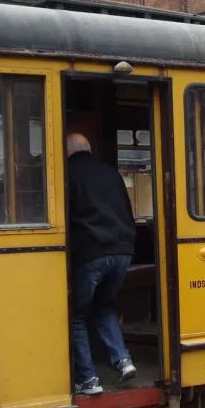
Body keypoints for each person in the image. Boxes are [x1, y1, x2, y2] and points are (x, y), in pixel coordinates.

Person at [66, 133, 137, 394]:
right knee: (105, 306)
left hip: (91, 252)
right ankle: (123, 360)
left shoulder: (67, 175)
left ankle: (88, 380)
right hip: (122, 251)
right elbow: (126, 210)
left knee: (77, 315)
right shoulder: (111, 173)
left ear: (68, 153)